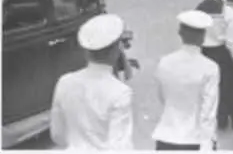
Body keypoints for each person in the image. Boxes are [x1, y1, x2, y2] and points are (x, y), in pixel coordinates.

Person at [50, 14, 134, 150]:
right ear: (116, 52)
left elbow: (57, 135)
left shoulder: (64, 82)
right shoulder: (120, 92)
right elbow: (121, 147)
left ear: (86, 53)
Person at [152, 11, 219, 151]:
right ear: (203, 37)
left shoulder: (164, 62)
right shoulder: (210, 68)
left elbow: (162, 97)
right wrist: (207, 144)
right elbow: (208, 111)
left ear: (180, 33)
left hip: (166, 135)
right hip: (194, 139)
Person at [196, 0, 233, 132]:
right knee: (229, 85)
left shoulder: (199, 9)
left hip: (205, 51)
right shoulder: (226, 11)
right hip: (221, 51)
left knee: (212, 86)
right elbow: (232, 39)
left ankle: (220, 117)